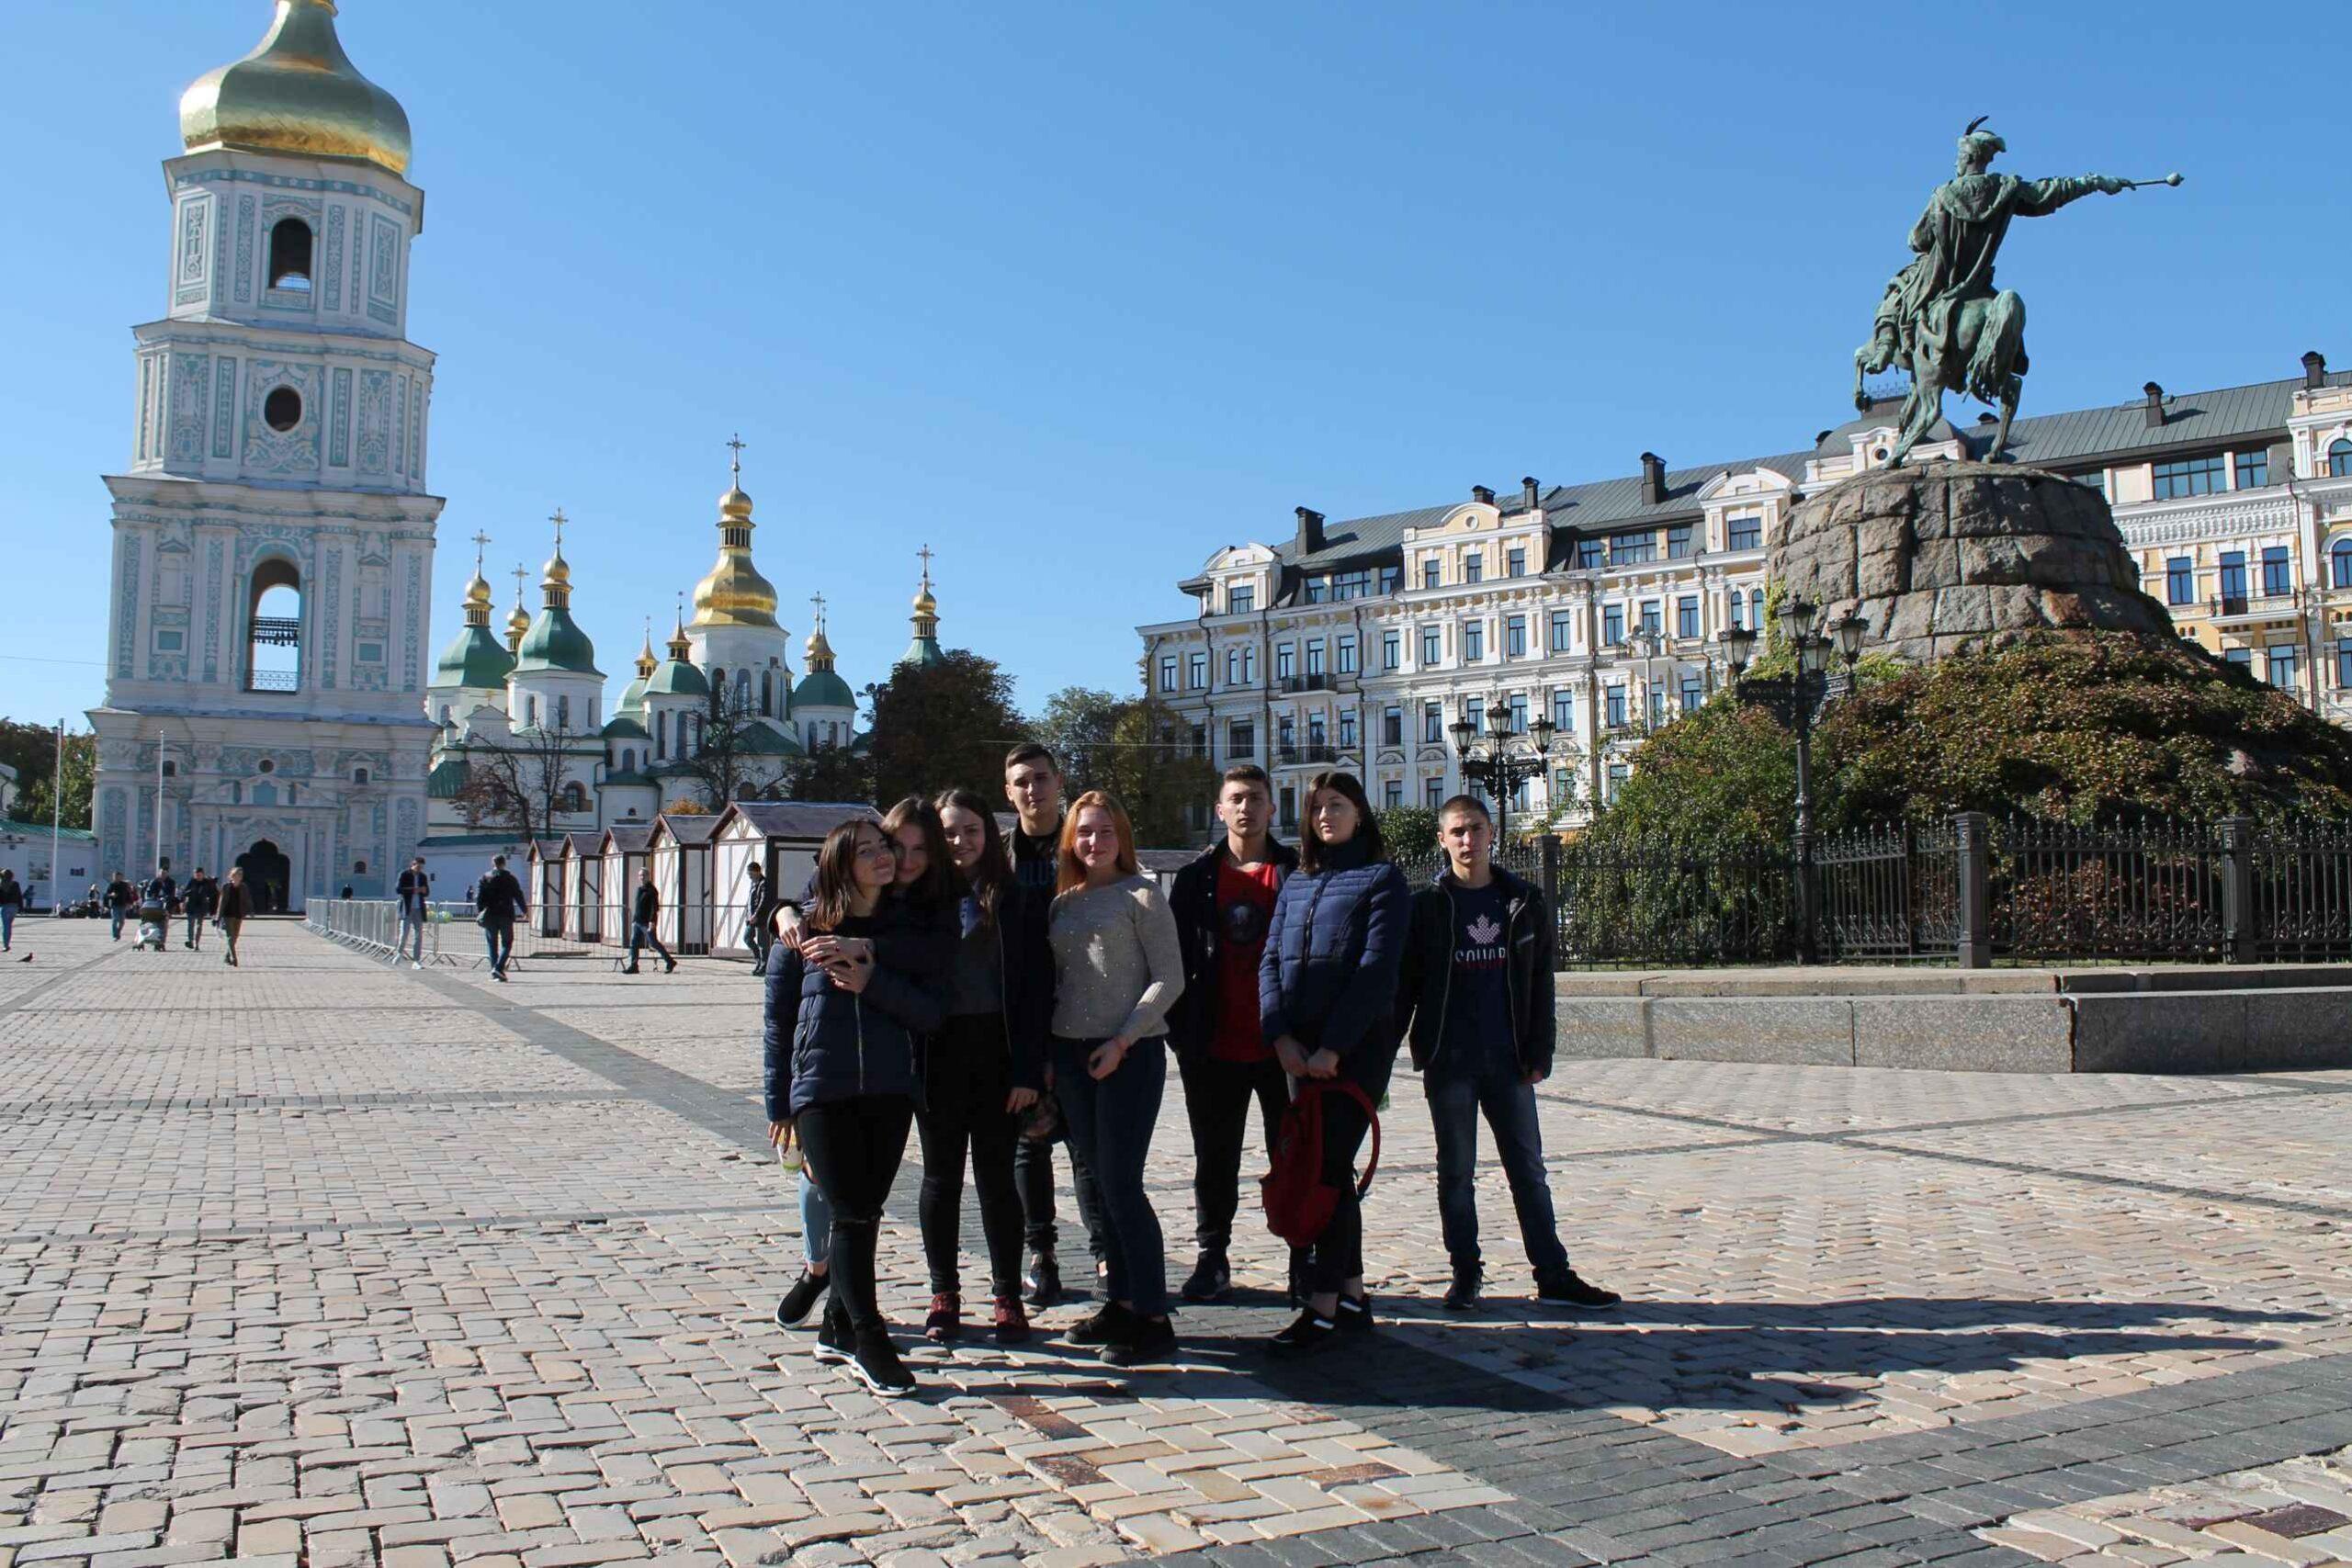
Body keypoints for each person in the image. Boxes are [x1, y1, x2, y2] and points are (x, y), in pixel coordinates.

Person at [1397, 796, 1620, 1314]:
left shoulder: (1521, 899)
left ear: (1492, 833)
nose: (1467, 840)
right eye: (1457, 832)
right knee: (1456, 1171)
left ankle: (1553, 1273)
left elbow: (1541, 982)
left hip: (1509, 1058)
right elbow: (1406, 986)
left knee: (1528, 1170)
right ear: (1442, 840)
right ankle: (1465, 1272)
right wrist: (1384, 1052)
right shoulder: (1429, 907)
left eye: (1475, 829)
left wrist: (1541, 1050)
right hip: (1449, 1061)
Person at [764, 818, 946, 1397]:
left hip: (890, 1092)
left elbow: (930, 1014)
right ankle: (871, 1339)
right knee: (850, 1214)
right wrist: (779, 1104)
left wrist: (873, 982)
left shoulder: (905, 933)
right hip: (823, 1092)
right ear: (840, 866)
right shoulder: (803, 934)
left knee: (865, 1211)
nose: (881, 857)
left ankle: (836, 1327)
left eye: (883, 846)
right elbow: (778, 1023)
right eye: (865, 851)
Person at [1259, 772, 1409, 1357]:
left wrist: (1334, 1048)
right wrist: (1280, 1038)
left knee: (1325, 1169)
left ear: (1360, 814)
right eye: (1317, 807)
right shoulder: (1297, 880)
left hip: (1354, 1052)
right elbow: (1270, 959)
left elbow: (1375, 971)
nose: (1325, 816)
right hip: (1299, 1047)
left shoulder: (1383, 879)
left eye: (1337, 806)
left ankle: (1322, 1304)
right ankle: (1351, 1295)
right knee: (1329, 1170)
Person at [1047, 790, 1184, 1367]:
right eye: (1084, 832)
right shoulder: (1063, 903)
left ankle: (1153, 1316)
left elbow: (1169, 979)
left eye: (1105, 832)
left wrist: (1123, 1039)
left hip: (1129, 1055)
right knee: (1097, 1187)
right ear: (1070, 840)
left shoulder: (1142, 896)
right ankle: (1120, 1301)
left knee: (1123, 1183)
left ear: (1122, 837)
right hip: (1074, 1056)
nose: (1095, 842)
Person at [1167, 765, 1300, 1304]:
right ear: (1220, 810)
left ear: (1272, 809)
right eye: (1236, 799)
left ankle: (1302, 1256)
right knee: (1213, 1159)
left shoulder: (1298, 871)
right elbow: (1172, 960)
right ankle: (1212, 1256)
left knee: (1291, 1156)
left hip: (1281, 1048)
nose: (1246, 808)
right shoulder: (1195, 879)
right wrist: (1183, 1037)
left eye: (1256, 799)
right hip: (1213, 1047)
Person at [921, 789, 1048, 1346]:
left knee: (997, 1180)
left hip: (997, 1051)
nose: (959, 841)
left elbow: (1032, 991)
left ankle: (1006, 1295)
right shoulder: (917, 895)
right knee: (940, 1178)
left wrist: (1028, 1069)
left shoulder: (1012, 897)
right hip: (937, 1052)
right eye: (948, 831)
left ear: (987, 835)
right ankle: (943, 1292)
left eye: (970, 830)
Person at [1003, 742, 1108, 1307]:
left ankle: (1103, 1254)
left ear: (1058, 780)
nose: (1033, 789)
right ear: (1009, 791)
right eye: (1022, 781)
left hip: (1084, 1013)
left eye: (1042, 778)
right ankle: (1039, 1254)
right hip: (1020, 1020)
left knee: (1087, 1146)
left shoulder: (1086, 846)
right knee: (1030, 1144)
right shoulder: (998, 855)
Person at [474, 854, 526, 981]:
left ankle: (495, 970)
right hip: (506, 914)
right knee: (507, 943)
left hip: (490, 914)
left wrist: (480, 911)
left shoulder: (485, 877)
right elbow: (518, 894)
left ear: (493, 863)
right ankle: (498, 968)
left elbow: (479, 897)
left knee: (492, 944)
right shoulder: (510, 878)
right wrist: (525, 910)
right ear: (504, 863)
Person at [624, 866, 675, 975]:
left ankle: (670, 961)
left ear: (648, 876)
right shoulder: (639, 889)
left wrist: (652, 921)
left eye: (643, 875)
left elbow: (654, 907)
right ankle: (634, 966)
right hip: (637, 921)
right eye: (640, 875)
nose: (641, 877)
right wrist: (634, 920)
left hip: (646, 922)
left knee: (653, 943)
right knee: (634, 944)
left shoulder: (652, 890)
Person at [394, 858, 432, 969]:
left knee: (418, 935)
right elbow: (398, 889)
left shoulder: (423, 876)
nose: (420, 869)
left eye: (422, 867)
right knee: (404, 933)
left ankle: (416, 960)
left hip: (419, 908)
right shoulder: (404, 874)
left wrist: (424, 891)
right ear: (413, 865)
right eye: (418, 867)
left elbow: (426, 892)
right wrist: (414, 890)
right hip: (407, 907)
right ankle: (399, 953)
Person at [743, 860, 775, 976]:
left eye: (750, 873)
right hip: (751, 918)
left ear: (757, 872)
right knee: (747, 938)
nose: (749, 876)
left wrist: (756, 914)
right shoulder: (754, 883)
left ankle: (764, 965)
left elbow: (763, 901)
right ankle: (759, 960)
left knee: (763, 943)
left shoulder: (763, 883)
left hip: (760, 919)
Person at [218, 867, 251, 966]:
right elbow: (222, 902)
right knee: (230, 937)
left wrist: (250, 910)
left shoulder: (244, 887)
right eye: (237, 874)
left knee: (235, 937)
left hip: (238, 914)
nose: (239, 876)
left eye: (240, 874)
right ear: (232, 875)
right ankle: (234, 958)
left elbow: (247, 900)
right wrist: (218, 916)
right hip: (228, 914)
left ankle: (227, 957)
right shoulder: (226, 887)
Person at [182, 868, 218, 952]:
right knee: (190, 925)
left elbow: (213, 892)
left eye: (199, 875)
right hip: (191, 906)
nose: (197, 877)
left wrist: (207, 896)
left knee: (199, 926)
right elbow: (185, 892)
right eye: (196, 875)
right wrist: (191, 891)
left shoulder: (206, 882)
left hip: (201, 906)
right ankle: (191, 941)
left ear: (203, 874)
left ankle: (197, 944)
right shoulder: (192, 881)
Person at [105, 873, 133, 941]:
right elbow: (106, 895)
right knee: (115, 920)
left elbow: (128, 894)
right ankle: (115, 935)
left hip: (123, 905)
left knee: (122, 922)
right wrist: (111, 895)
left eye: (118, 877)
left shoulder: (124, 885)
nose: (116, 878)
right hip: (114, 905)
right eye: (115, 877)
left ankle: (118, 932)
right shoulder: (111, 885)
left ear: (121, 877)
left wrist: (130, 903)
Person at [0, 869, 19, 951]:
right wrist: (21, 907)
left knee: (5, 927)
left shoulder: (1, 884)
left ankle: (6, 945)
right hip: (14, 907)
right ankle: (7, 944)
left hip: (4, 907)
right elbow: (19, 896)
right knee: (9, 926)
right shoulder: (15, 884)